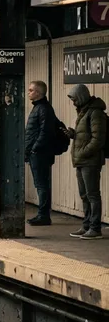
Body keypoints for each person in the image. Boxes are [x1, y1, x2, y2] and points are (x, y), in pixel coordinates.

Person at [65, 84, 105, 240]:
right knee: (84, 195)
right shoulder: (83, 112)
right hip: (82, 160)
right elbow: (86, 135)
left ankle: (95, 228)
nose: (73, 102)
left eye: (74, 99)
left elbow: (98, 139)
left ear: (81, 97)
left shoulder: (95, 113)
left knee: (92, 195)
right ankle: (87, 225)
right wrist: (73, 135)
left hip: (90, 161)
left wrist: (82, 152)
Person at [25, 80, 56, 226]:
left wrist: (34, 148)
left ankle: (43, 215)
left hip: (40, 153)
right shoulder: (39, 108)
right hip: (37, 151)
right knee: (40, 184)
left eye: (31, 90)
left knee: (41, 184)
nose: (28, 92)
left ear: (38, 93)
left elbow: (45, 131)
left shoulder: (43, 109)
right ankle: (42, 214)